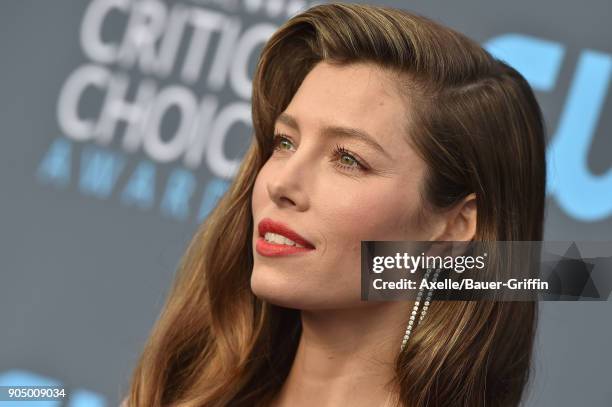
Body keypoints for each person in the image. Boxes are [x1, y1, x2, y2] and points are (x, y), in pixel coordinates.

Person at [122, 3, 546, 406]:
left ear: (455, 225)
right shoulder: (171, 395)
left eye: (348, 159)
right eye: (285, 142)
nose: (281, 183)